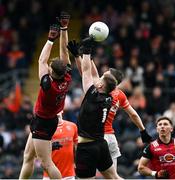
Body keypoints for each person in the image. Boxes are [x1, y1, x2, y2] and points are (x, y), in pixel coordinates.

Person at [67, 39, 152, 170]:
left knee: (88, 175)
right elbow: (133, 114)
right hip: (110, 137)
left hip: (94, 138)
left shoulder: (97, 93)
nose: (101, 75)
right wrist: (143, 130)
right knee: (113, 176)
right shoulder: (119, 95)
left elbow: (86, 73)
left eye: (105, 75)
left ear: (108, 81)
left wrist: (82, 54)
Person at [19, 12, 71, 179]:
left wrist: (50, 40)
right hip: (45, 120)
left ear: (51, 71)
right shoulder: (66, 77)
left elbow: (41, 60)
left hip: (43, 122)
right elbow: (64, 52)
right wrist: (64, 29)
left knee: (46, 162)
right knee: (27, 157)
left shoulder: (48, 86)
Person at [73, 37, 122, 179]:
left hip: (86, 148)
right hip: (101, 145)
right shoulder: (109, 97)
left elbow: (87, 72)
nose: (98, 79)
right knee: (114, 178)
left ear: (100, 86)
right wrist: (80, 56)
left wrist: (86, 51)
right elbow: (92, 74)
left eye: (101, 79)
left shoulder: (92, 96)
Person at [43, 112, 78, 180]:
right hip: (49, 175)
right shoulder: (45, 128)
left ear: (62, 110)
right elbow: (38, 152)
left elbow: (77, 148)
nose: (56, 110)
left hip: (69, 175)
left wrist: (77, 163)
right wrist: (50, 147)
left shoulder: (73, 126)